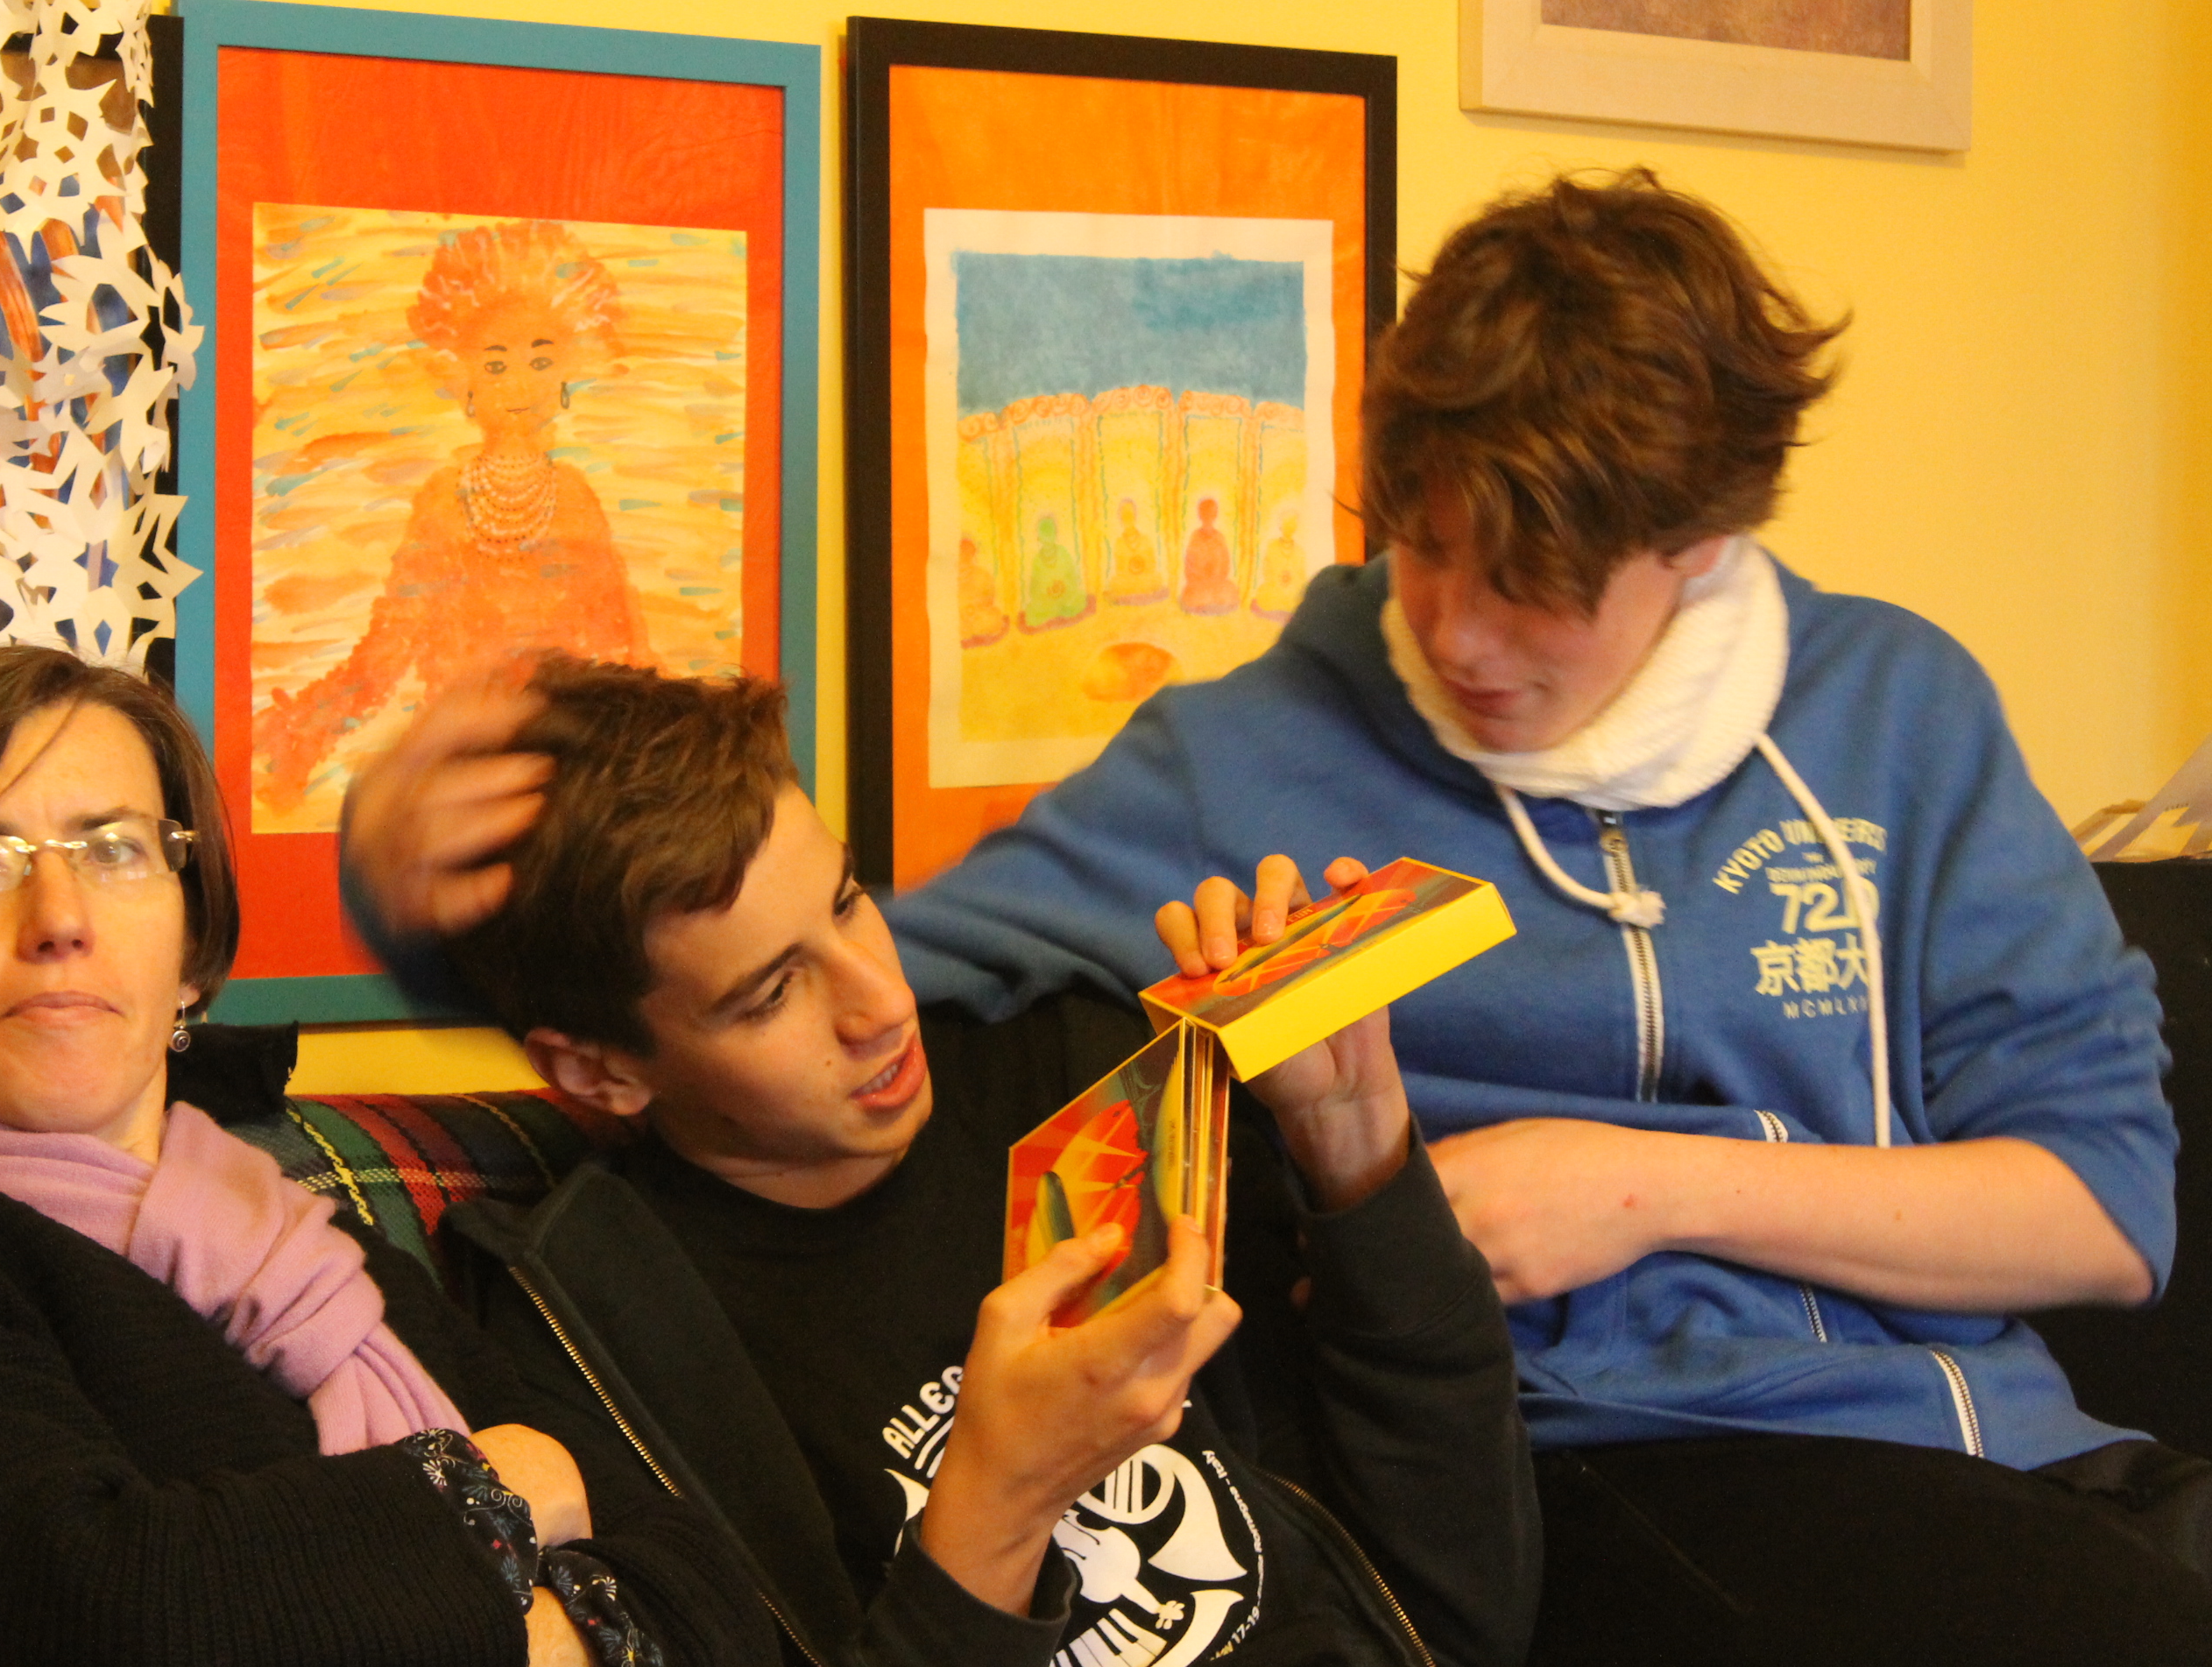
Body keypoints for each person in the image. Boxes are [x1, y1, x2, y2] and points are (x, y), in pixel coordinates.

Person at [878, 169, 2212, 1660]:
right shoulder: (1233, 761)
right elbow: (856, 988)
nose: (1456, 630)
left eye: (1531, 583)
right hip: (1607, 1465)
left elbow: (2106, 1214)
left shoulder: (1899, 711)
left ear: (1698, 540)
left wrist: (1633, 1188)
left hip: (2018, 1448)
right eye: (1423, 543)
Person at [339, 659, 1539, 1667]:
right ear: (601, 1073)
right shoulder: (602, 1342)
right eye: (770, 994)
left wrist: (1355, 1142)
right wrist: (995, 1506)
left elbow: (1459, 1602)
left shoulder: (1073, 1059)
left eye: (847, 901)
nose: (878, 1003)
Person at [0, 646, 772, 1667]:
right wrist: (517, 1481)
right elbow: (133, 1609)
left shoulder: (321, 1253)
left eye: (114, 850)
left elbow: (713, 1586)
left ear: (190, 952)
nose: (59, 918)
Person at [255, 217, 652, 816]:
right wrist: (306, 733)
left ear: (566, 374)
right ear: (463, 378)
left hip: (568, 772)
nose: (519, 384)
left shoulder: (575, 499)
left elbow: (622, 647)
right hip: (463, 768)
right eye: (495, 365)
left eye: (540, 361)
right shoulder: (445, 500)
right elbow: (391, 643)